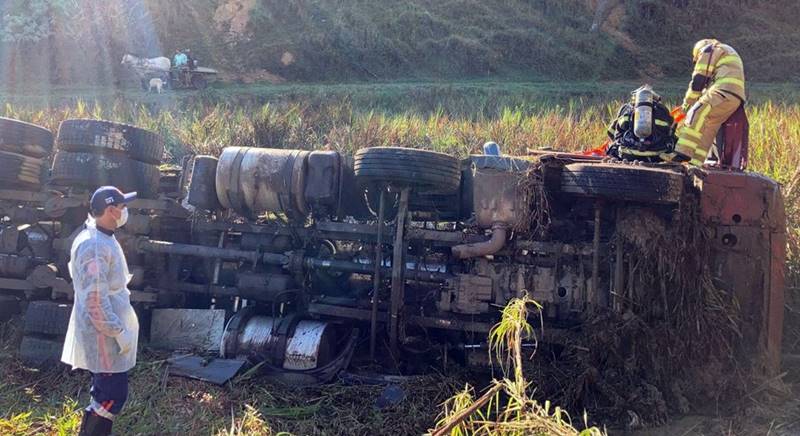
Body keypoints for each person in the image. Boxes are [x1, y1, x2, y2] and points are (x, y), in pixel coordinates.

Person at [61, 186, 140, 436]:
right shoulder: (93, 246)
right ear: (110, 210)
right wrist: (117, 331)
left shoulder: (104, 238)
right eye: (122, 206)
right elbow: (95, 300)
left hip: (107, 331)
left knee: (109, 393)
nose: (125, 211)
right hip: (102, 334)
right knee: (110, 395)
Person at [669, 39, 746, 166]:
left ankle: (682, 153)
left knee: (697, 111)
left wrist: (686, 106)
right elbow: (707, 84)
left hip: (723, 90)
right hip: (735, 98)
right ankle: (696, 162)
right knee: (709, 126)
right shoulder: (725, 52)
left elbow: (698, 80)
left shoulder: (709, 50)